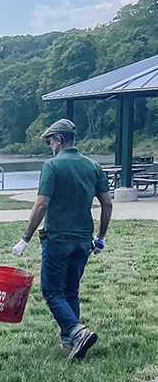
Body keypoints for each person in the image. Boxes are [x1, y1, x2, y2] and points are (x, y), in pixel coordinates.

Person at [12, 118, 112, 360]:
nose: (49, 146)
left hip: (57, 238)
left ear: (58, 140)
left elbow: (42, 203)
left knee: (52, 291)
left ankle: (77, 331)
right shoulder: (93, 166)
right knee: (71, 291)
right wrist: (100, 237)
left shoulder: (52, 166)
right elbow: (107, 204)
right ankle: (70, 341)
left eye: (50, 141)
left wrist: (25, 237)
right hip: (83, 240)